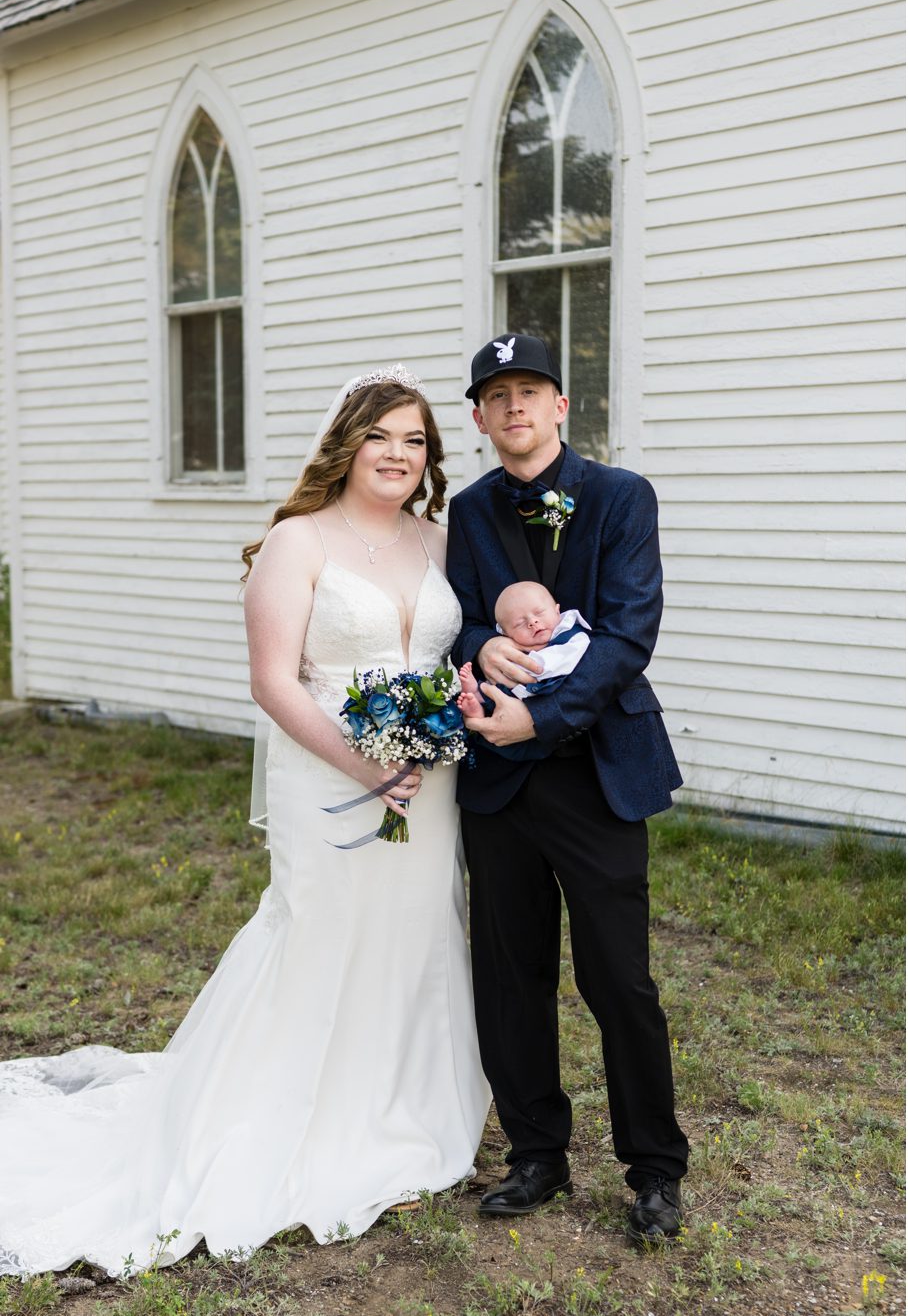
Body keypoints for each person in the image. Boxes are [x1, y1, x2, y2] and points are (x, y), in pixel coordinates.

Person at [0, 367, 489, 1276]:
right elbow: (273, 682)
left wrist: (445, 712)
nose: (397, 454)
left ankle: (400, 1116)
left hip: (427, 782)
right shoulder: (296, 543)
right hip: (330, 772)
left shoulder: (441, 539)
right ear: (348, 444)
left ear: (429, 458)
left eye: (414, 440)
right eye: (381, 436)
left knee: (414, 934)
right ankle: (292, 1124)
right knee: (322, 931)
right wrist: (364, 765)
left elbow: (449, 646)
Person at [445, 332, 689, 1244]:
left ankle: (656, 1169)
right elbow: (456, 614)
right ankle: (536, 1154)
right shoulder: (466, 513)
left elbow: (630, 635)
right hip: (497, 786)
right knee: (511, 977)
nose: (514, 406)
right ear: (478, 416)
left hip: (597, 774)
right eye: (496, 394)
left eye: (530, 389)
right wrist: (479, 644)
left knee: (619, 978)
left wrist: (542, 720)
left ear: (561, 405)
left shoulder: (622, 497)